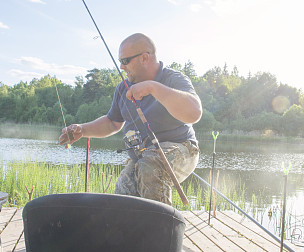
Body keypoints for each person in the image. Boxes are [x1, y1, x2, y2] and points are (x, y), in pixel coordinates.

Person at [59, 33, 202, 205]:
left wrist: (152, 88)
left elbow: (194, 113)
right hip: (142, 157)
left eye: (125, 61)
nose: (121, 66)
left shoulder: (173, 79)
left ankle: (162, 229)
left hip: (183, 149)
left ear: (144, 58)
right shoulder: (123, 87)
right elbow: (112, 122)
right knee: (122, 192)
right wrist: (83, 130)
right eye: (120, 61)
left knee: (150, 167)